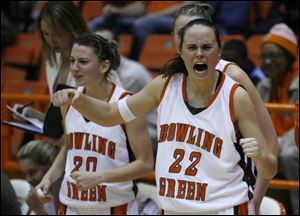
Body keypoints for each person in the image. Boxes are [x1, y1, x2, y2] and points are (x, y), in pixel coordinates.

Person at [52, 18, 277, 215]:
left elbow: (270, 168)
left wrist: (260, 157)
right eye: (192, 47)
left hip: (224, 208)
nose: (199, 53)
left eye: (207, 47)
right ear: (181, 51)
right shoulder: (164, 86)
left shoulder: (236, 96)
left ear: (218, 52)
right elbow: (111, 113)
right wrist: (77, 99)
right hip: (173, 208)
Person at [171, 3, 280, 214]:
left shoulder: (233, 75)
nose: (189, 38)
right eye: (181, 34)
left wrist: (255, 200)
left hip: (225, 202)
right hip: (184, 201)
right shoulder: (169, 81)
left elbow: (271, 144)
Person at [36, 33, 154, 215]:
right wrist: (49, 177)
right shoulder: (68, 100)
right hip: (71, 204)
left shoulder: (126, 103)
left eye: (83, 62)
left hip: (113, 206)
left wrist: (100, 177)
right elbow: (69, 147)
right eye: (72, 60)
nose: (74, 68)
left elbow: (145, 164)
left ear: (104, 65)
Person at [12, 1, 90, 146]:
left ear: (74, 28)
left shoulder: (94, 61)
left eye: (58, 34)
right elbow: (60, 121)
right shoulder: (53, 61)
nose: (51, 41)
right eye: (46, 34)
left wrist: (66, 142)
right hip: (67, 144)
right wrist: (31, 114)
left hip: (91, 145)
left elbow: (108, 118)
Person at [94, 28, 158, 157]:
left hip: (150, 132)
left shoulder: (132, 74)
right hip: (124, 127)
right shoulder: (95, 72)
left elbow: (117, 113)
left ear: (118, 46)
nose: (103, 50)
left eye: (106, 44)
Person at [256, 23, 299, 215]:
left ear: (289, 57)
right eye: (264, 56)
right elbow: (254, 122)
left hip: (291, 145)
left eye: (274, 55)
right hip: (273, 146)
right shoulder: (264, 84)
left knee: (288, 156)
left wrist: (272, 146)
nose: (268, 61)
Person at [16, 140, 61, 215]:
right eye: (25, 174)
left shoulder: (65, 193)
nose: (28, 179)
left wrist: (40, 211)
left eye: (32, 172)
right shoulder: (40, 195)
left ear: (50, 166)